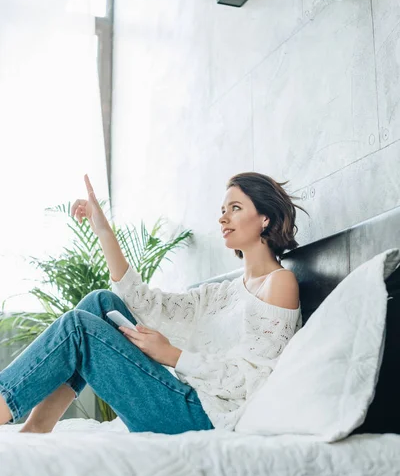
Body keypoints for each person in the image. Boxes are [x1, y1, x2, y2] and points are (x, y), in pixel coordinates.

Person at [0, 172, 308, 434]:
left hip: (206, 417)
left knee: (76, 327)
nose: (223, 217)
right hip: (188, 403)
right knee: (101, 302)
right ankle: (36, 428)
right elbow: (145, 304)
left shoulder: (279, 283)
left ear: (265, 218)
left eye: (236, 208)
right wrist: (105, 233)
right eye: (223, 208)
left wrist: (173, 355)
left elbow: (252, 381)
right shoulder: (221, 293)